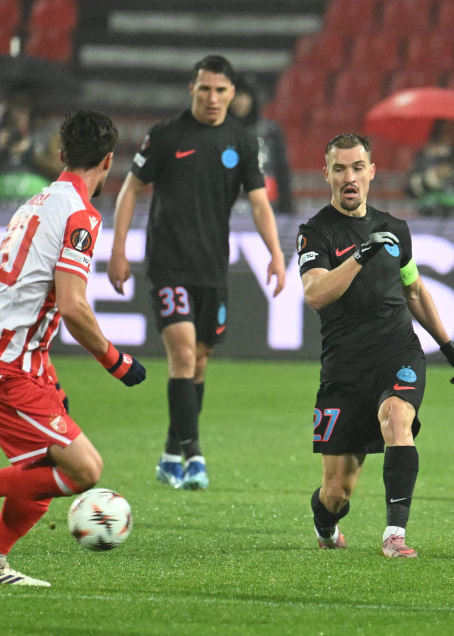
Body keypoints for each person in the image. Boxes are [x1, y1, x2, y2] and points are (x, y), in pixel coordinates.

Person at [0, 110, 146, 586]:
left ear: (60, 156)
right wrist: (115, 361)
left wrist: (45, 373)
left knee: (42, 473)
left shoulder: (34, 202)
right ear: (108, 160)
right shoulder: (81, 215)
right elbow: (75, 307)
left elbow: (23, 295)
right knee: (84, 469)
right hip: (2, 366)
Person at [108, 55, 286, 490]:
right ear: (192, 89)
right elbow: (131, 189)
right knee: (184, 354)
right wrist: (117, 250)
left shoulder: (242, 142)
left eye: (220, 90)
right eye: (204, 89)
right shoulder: (166, 136)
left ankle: (171, 453)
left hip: (212, 267)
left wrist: (277, 254)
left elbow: (260, 202)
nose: (212, 97)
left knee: (199, 361)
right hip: (168, 263)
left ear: (232, 94)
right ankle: (194, 455)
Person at [297, 133, 454, 558]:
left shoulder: (395, 229)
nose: (349, 177)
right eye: (339, 169)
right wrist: (359, 255)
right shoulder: (315, 233)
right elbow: (316, 294)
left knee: (397, 416)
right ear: (326, 174)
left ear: (372, 172)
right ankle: (325, 525)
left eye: (357, 167)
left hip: (398, 352)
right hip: (344, 368)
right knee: (337, 493)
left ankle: (394, 535)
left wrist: (450, 348)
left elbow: (414, 292)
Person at [0, 87, 62, 203]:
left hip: (35, 203)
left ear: (33, 108)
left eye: (24, 107)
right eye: (16, 106)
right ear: (9, 107)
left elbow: (58, 170)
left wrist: (30, 153)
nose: (20, 113)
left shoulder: (47, 131)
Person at [228, 75, 296, 214]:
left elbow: (282, 171)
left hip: (266, 205)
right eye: (236, 97)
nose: (240, 102)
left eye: (244, 97)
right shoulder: (218, 131)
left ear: (253, 100)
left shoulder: (270, 131)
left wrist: (287, 207)